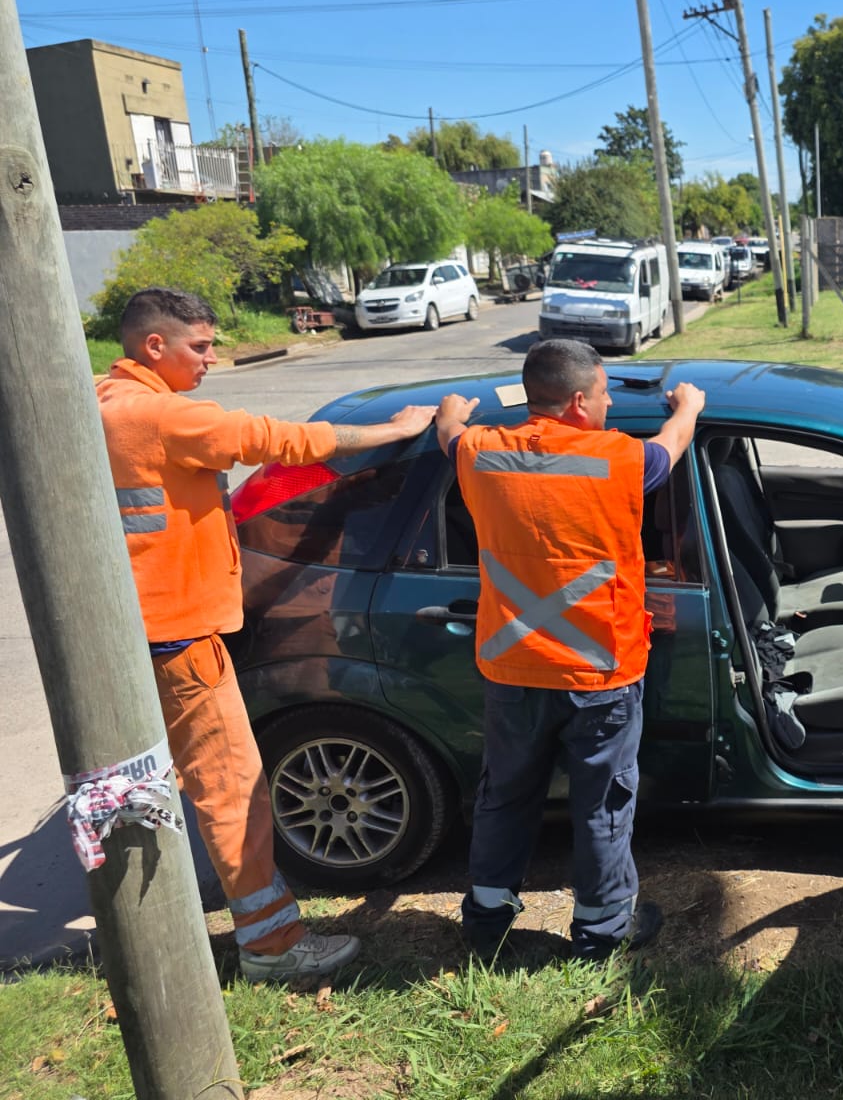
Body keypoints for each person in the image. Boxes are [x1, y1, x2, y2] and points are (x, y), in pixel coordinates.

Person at [98, 288, 437, 980]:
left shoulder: (102, 401)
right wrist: (391, 432)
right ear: (153, 346)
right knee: (234, 791)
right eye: (201, 345)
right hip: (181, 638)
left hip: (126, 635)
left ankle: (140, 941)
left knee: (135, 792)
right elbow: (276, 439)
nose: (213, 358)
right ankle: (272, 947)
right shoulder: (163, 414)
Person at [436, 339, 704, 961]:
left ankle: (485, 920)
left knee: (505, 795)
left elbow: (449, 433)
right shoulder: (618, 459)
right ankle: (603, 931)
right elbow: (670, 449)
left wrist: (453, 407)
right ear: (580, 402)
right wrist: (687, 405)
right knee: (602, 803)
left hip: (514, 668)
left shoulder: (480, 451)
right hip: (598, 672)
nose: (610, 404)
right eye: (606, 394)